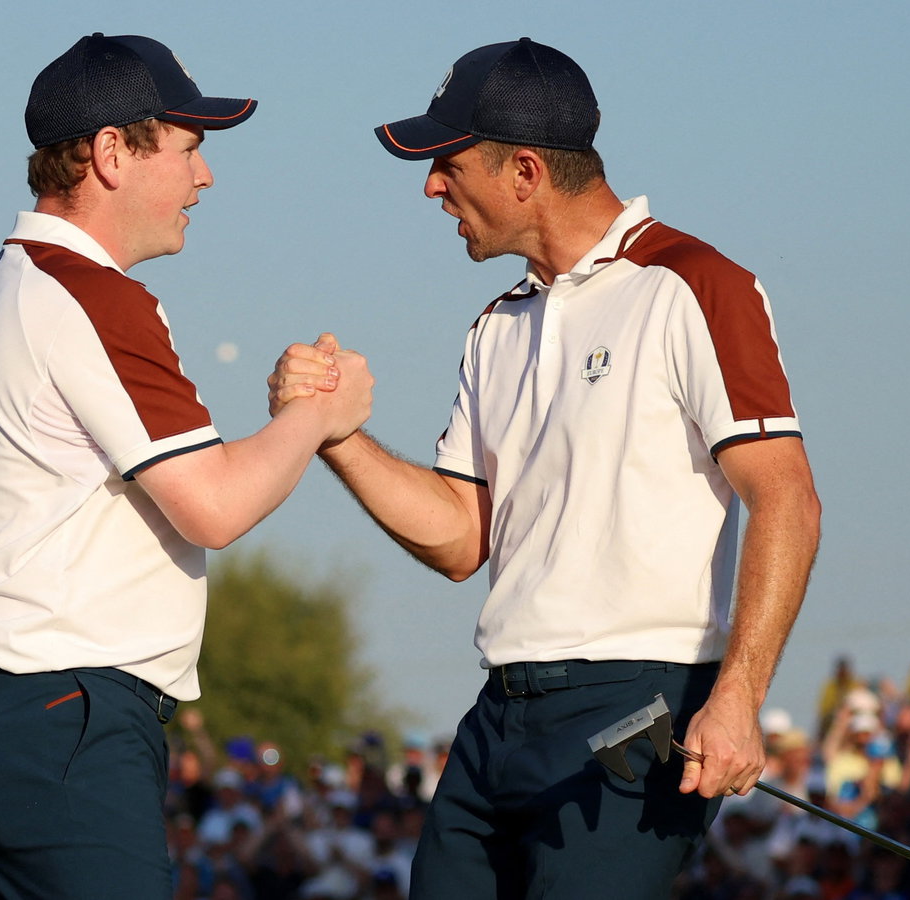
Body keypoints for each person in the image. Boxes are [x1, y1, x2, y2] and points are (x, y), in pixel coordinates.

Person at [270, 37, 821, 898]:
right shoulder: (497, 324)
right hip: (500, 716)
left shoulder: (694, 284)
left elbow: (787, 498)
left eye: (447, 164)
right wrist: (334, 436)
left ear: (524, 171)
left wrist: (740, 695)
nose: (430, 186)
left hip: (640, 708)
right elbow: (461, 539)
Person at [0, 33, 372, 900]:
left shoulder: (6, 290)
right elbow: (211, 506)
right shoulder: (90, 294)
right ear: (109, 153)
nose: (204, 178)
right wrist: (319, 415)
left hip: (14, 709)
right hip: (65, 712)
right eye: (190, 148)